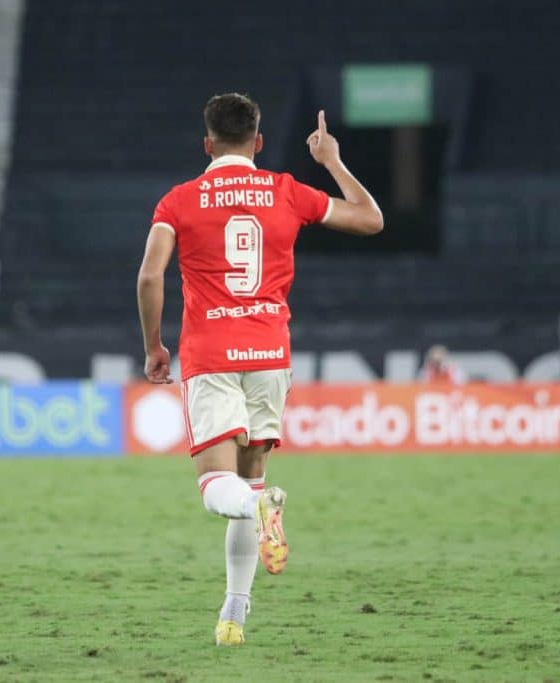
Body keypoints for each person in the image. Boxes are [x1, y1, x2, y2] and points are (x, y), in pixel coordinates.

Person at [136, 93, 383, 645]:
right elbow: (371, 219)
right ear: (259, 142)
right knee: (249, 481)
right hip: (270, 355)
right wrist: (332, 162)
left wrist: (154, 346)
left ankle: (259, 508)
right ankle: (234, 614)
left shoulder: (179, 201)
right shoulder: (285, 190)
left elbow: (150, 277)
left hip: (211, 354)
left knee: (218, 489)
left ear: (207, 143)